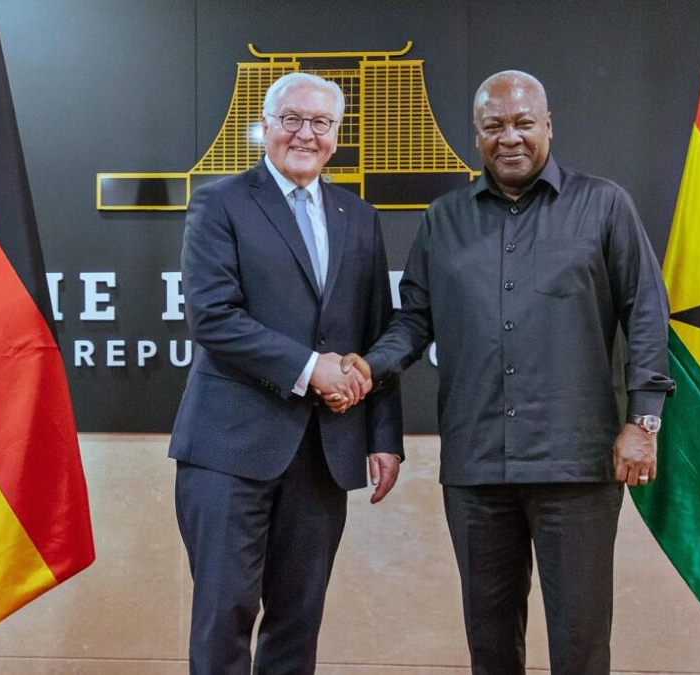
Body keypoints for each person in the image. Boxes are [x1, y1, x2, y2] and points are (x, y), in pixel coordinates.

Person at [333, 71, 675, 674]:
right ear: (476, 135)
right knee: (489, 645)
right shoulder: (443, 219)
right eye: (493, 126)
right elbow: (414, 321)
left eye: (522, 123)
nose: (509, 137)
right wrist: (369, 363)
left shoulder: (604, 205)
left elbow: (646, 313)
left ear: (548, 126)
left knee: (581, 644)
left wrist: (643, 422)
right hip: (476, 467)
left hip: (578, 465)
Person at [169, 71, 403, 675]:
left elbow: (378, 332)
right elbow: (213, 319)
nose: (305, 133)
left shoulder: (359, 216)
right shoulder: (219, 202)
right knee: (224, 618)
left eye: (321, 123)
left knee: (299, 623)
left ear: (337, 135)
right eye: (291, 119)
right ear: (265, 127)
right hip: (229, 450)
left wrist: (383, 439)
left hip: (324, 455)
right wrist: (309, 368)